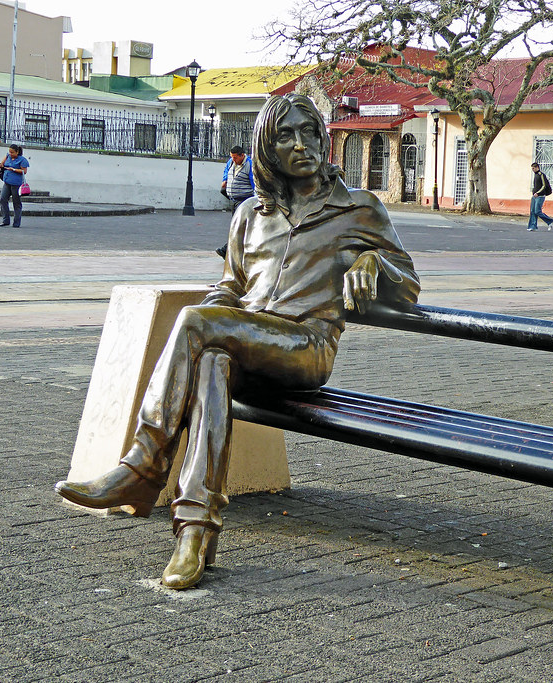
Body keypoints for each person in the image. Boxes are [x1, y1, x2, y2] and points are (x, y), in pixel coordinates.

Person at [55, 93, 420, 590]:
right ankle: (194, 530)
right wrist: (215, 316)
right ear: (267, 148)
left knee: (197, 324)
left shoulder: (359, 208)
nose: (302, 145)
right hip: (246, 342)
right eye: (286, 136)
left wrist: (375, 264)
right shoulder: (251, 213)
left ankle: (143, 466)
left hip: (306, 348)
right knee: (212, 364)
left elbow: (409, 282)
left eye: (310, 132)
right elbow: (229, 288)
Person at [216, 146, 254, 258]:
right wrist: (224, 180)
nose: (233, 160)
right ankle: (231, 252)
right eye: (232, 157)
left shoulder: (249, 165)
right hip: (234, 199)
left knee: (238, 228)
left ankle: (226, 250)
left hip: (244, 200)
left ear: (242, 155)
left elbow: (254, 182)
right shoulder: (231, 162)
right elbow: (226, 170)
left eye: (235, 157)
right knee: (238, 228)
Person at [0, 144, 29, 228]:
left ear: (17, 152)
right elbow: (2, 163)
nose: (10, 153)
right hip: (7, 181)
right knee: (2, 199)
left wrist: (14, 169)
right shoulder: (7, 156)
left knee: (16, 203)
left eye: (12, 152)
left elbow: (24, 171)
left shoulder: (22, 160)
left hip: (16, 184)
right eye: (9, 152)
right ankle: (5, 220)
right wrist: (1, 165)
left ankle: (16, 222)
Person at [528, 162, 553, 231]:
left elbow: (544, 185)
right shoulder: (535, 175)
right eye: (532, 168)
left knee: (537, 211)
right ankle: (533, 226)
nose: (533, 170)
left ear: (537, 167)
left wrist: (538, 193)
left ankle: (549, 221)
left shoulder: (541, 175)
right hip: (534, 196)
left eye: (533, 168)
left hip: (540, 196)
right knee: (532, 211)